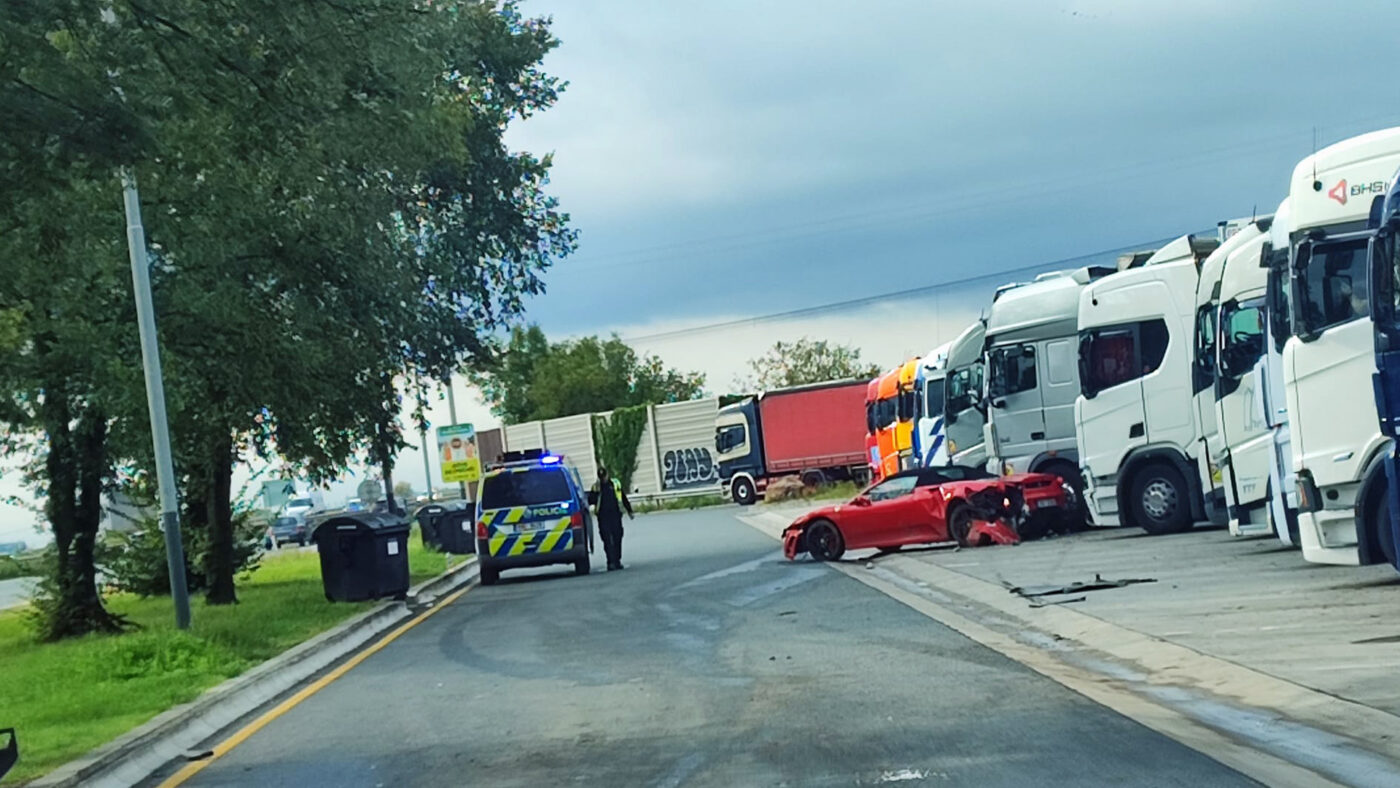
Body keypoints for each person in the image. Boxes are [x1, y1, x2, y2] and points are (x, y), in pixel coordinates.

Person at [593, 466, 634, 571]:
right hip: (603, 518)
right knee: (607, 540)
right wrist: (596, 493)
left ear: (607, 474)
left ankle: (617, 560)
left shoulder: (615, 484)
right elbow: (591, 500)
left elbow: (623, 497)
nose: (603, 479)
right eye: (601, 477)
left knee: (617, 538)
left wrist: (629, 510)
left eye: (604, 476)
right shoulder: (596, 487)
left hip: (615, 515)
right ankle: (610, 562)